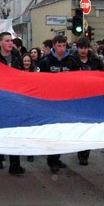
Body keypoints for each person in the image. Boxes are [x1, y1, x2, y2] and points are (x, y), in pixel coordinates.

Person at [39, 35, 79, 173]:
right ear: (54, 46)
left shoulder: (73, 61)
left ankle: (57, 157)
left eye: (64, 45)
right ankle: (52, 160)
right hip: (50, 101)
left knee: (62, 131)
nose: (61, 48)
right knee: (53, 132)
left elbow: (79, 80)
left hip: (66, 101)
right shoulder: (45, 61)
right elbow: (37, 80)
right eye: (59, 45)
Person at [0, 32, 26, 175]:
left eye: (11, 41)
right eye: (7, 41)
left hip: (15, 100)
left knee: (14, 133)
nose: (10, 43)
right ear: (0, 43)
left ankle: (15, 165)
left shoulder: (17, 56)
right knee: (0, 131)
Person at [74, 36, 104, 165]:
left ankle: (84, 154)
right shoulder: (72, 60)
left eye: (85, 48)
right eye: (80, 48)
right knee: (78, 127)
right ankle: (78, 148)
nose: (83, 51)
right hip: (76, 98)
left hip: (91, 99)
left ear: (89, 48)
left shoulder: (95, 61)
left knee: (87, 127)